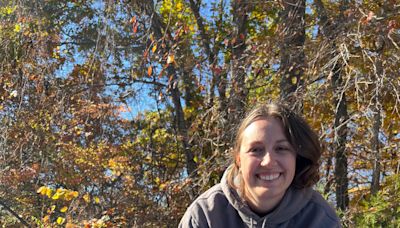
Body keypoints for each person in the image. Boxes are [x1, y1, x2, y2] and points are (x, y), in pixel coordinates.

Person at [179, 103, 341, 227]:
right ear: (238, 160)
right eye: (256, 150)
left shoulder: (319, 218)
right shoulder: (205, 215)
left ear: (296, 158)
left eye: (281, 148)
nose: (268, 161)